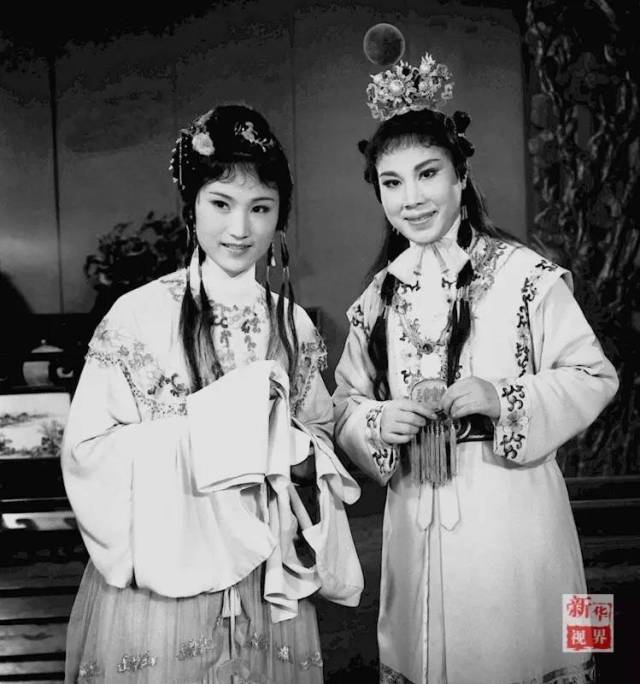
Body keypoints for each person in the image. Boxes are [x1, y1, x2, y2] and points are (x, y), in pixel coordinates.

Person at [333, 52, 618, 684]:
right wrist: (378, 421)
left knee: (522, 648)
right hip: (415, 518)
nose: (411, 199)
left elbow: (595, 374)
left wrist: (503, 397)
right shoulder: (376, 300)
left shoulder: (525, 276)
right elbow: (344, 403)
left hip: (513, 511)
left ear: (461, 177)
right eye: (391, 183)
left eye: (428, 174)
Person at [62, 104, 363, 684]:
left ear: (280, 217)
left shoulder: (294, 326)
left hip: (265, 581)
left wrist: (297, 454)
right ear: (191, 207)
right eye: (221, 204)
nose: (240, 229)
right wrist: (209, 435)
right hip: (163, 583)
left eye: (261, 208)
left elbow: (317, 441)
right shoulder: (137, 316)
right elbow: (87, 453)